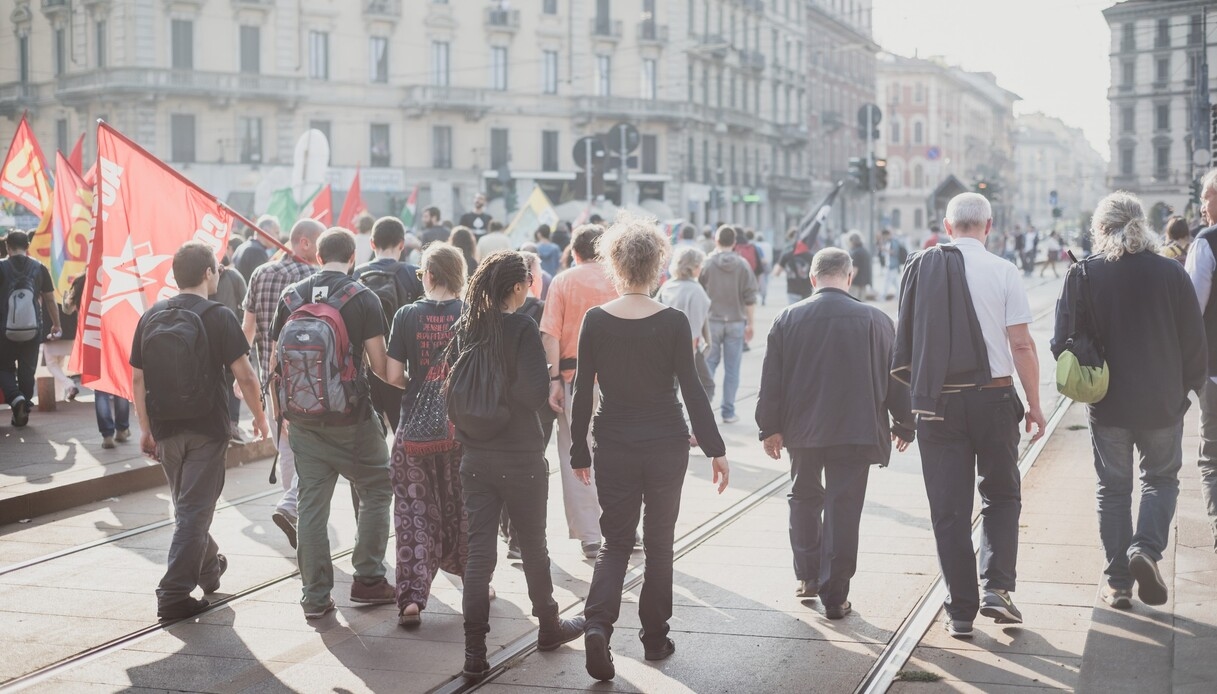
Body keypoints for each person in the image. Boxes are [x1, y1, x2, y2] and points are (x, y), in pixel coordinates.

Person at [570, 215, 729, 681]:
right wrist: (715, 447)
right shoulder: (674, 321)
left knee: (616, 541)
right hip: (665, 443)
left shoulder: (595, 320)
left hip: (614, 441)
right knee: (659, 545)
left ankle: (597, 625)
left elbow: (583, 390)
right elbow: (693, 389)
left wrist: (579, 450)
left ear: (614, 266)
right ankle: (655, 638)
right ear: (657, 265)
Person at [892, 192, 1044, 639]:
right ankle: (997, 587)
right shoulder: (1003, 270)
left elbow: (908, 342)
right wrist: (1034, 403)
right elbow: (1021, 344)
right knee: (1000, 494)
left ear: (946, 225)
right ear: (989, 226)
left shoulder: (922, 267)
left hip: (938, 406)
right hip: (994, 400)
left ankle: (961, 611)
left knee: (948, 508)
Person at [1053, 192, 1205, 609]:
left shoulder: (1083, 274)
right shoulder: (1171, 273)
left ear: (1100, 230)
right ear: (1143, 225)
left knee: (1113, 490)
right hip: (1161, 400)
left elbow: (1059, 341)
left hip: (1108, 404)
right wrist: (1187, 389)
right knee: (1160, 479)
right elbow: (1195, 340)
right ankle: (1146, 551)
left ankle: (1118, 582)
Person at [757, 247, 915, 619]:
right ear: (850, 275)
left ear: (813, 278)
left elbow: (772, 380)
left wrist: (770, 427)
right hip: (856, 430)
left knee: (803, 498)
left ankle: (807, 577)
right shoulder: (876, 320)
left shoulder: (787, 318)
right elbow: (897, 377)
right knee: (844, 509)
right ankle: (834, 594)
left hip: (803, 430)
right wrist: (904, 422)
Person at [451, 251, 585, 680]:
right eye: (528, 279)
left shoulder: (468, 325)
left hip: (474, 457)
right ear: (515, 287)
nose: (532, 284)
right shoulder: (522, 326)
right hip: (521, 457)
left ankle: (474, 653)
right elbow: (531, 395)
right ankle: (548, 626)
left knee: (479, 557)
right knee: (532, 547)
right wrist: (542, 375)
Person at [130, 242, 270, 619]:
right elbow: (246, 375)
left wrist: (145, 429)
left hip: (165, 428)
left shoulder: (151, 316)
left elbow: (138, 379)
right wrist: (260, 418)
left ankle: (208, 568)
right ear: (208, 273)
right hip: (207, 428)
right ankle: (173, 592)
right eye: (218, 270)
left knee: (188, 507)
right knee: (193, 510)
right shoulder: (218, 315)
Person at [270, 228, 396, 619]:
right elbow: (380, 367)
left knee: (311, 503)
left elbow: (276, 367)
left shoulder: (291, 297)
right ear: (353, 256)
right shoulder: (363, 298)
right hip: (352, 419)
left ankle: (315, 596)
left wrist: (283, 418)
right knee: (377, 486)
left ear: (318, 257)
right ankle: (369, 578)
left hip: (303, 420)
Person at [384, 243, 468, 627]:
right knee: (464, 506)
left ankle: (412, 599)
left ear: (429, 275)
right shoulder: (470, 315)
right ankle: (476, 583)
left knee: (413, 511)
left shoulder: (405, 315)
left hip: (413, 431)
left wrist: (420, 390)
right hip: (461, 429)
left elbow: (391, 375)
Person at [541, 224, 620, 558]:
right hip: (620, 380)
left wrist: (554, 379)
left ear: (574, 253)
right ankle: (625, 526)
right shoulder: (620, 280)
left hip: (575, 378)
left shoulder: (562, 281)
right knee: (620, 453)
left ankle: (590, 535)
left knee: (575, 453)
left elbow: (550, 335)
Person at [242, 219, 321, 548]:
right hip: (309, 381)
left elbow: (246, 329)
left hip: (270, 381)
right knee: (311, 452)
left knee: (286, 450)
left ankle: (294, 510)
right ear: (304, 243)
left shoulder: (261, 272)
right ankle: (295, 508)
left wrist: (240, 372)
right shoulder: (311, 278)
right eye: (318, 245)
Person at [353, 217, 425, 432]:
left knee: (371, 440)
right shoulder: (415, 274)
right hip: (403, 370)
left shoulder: (357, 275)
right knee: (404, 435)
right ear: (402, 244)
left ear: (372, 243)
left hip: (365, 369)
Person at [1185, 168, 1217, 551]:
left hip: (1215, 372)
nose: (1203, 207)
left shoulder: (1208, 242)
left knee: (1212, 457)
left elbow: (1192, 311)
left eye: (1206, 198)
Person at [0, 230, 61, 427]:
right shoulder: (39, 267)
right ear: (28, 246)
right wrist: (56, 324)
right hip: (32, 329)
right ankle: (24, 407)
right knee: (27, 371)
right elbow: (50, 299)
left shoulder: (1, 267)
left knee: (3, 367)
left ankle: (16, 399)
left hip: (3, 330)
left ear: (7, 247)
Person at [698, 225, 758, 424]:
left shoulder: (706, 263)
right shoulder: (742, 265)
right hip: (735, 321)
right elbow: (750, 297)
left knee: (709, 366)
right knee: (733, 369)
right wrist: (750, 323)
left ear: (716, 240)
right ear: (734, 243)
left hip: (712, 321)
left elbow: (699, 292)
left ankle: (704, 409)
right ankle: (728, 411)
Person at [658, 245, 715, 402]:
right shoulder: (696, 290)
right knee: (706, 386)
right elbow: (695, 328)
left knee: (671, 389)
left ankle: (671, 421)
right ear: (695, 267)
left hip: (666, 347)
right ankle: (697, 424)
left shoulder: (667, 286)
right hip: (689, 349)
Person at [209, 254, 248, 441]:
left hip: (230, 335)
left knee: (234, 381)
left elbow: (247, 303)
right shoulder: (202, 276)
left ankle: (232, 423)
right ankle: (220, 423)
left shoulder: (233, 276)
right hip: (208, 338)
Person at [232, 215, 280, 282]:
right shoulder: (257, 251)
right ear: (265, 231)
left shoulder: (243, 246)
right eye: (276, 232)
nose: (278, 237)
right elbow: (261, 281)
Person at [774, 235, 814, 305]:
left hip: (792, 291)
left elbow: (776, 273)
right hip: (806, 291)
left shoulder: (786, 255)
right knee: (806, 314)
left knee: (794, 314)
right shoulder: (810, 256)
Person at [879, 229, 908, 301]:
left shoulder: (894, 241)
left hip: (893, 265)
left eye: (884, 236)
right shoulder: (889, 242)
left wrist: (885, 249)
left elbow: (895, 252)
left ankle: (883, 296)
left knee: (887, 281)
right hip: (890, 265)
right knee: (895, 282)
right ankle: (899, 295)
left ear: (887, 235)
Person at [846, 231, 872, 300]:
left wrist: (848, 281)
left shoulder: (855, 252)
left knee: (853, 303)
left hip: (855, 283)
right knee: (862, 304)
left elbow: (854, 269)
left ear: (851, 241)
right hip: (864, 282)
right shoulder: (865, 251)